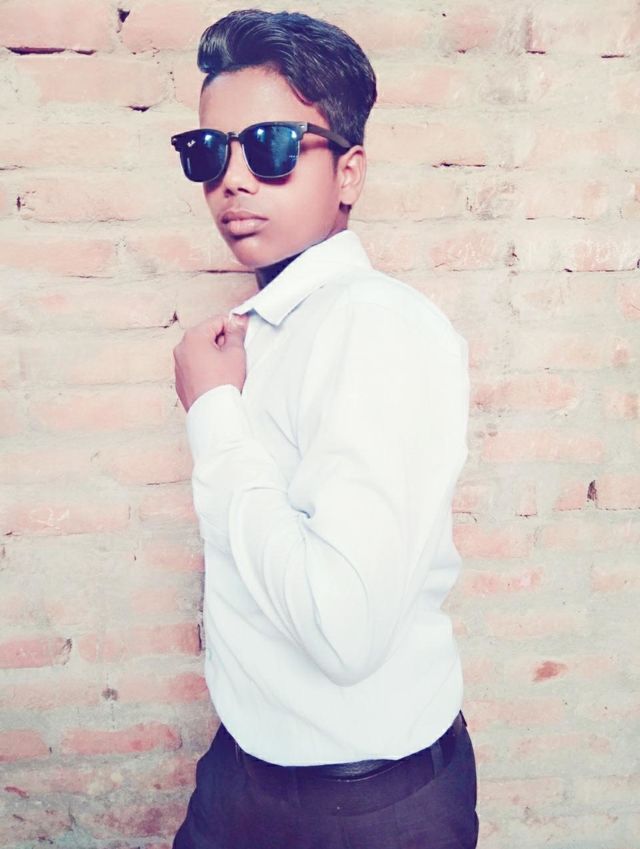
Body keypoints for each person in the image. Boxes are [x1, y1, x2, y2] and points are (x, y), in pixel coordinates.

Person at [170, 9, 478, 849]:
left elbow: (344, 628)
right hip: (244, 770)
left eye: (270, 146)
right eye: (208, 152)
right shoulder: (272, 329)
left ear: (348, 172)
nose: (233, 180)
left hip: (361, 807)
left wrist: (213, 414)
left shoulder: (375, 326)